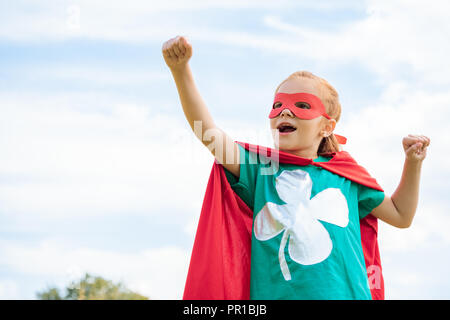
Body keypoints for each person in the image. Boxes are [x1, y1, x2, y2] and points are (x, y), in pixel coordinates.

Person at [162, 35, 430, 299]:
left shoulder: (347, 176)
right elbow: (209, 133)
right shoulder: (260, 170)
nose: (285, 111)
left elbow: (400, 215)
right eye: (278, 105)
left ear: (327, 127)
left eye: (302, 105)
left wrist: (413, 163)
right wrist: (180, 70)